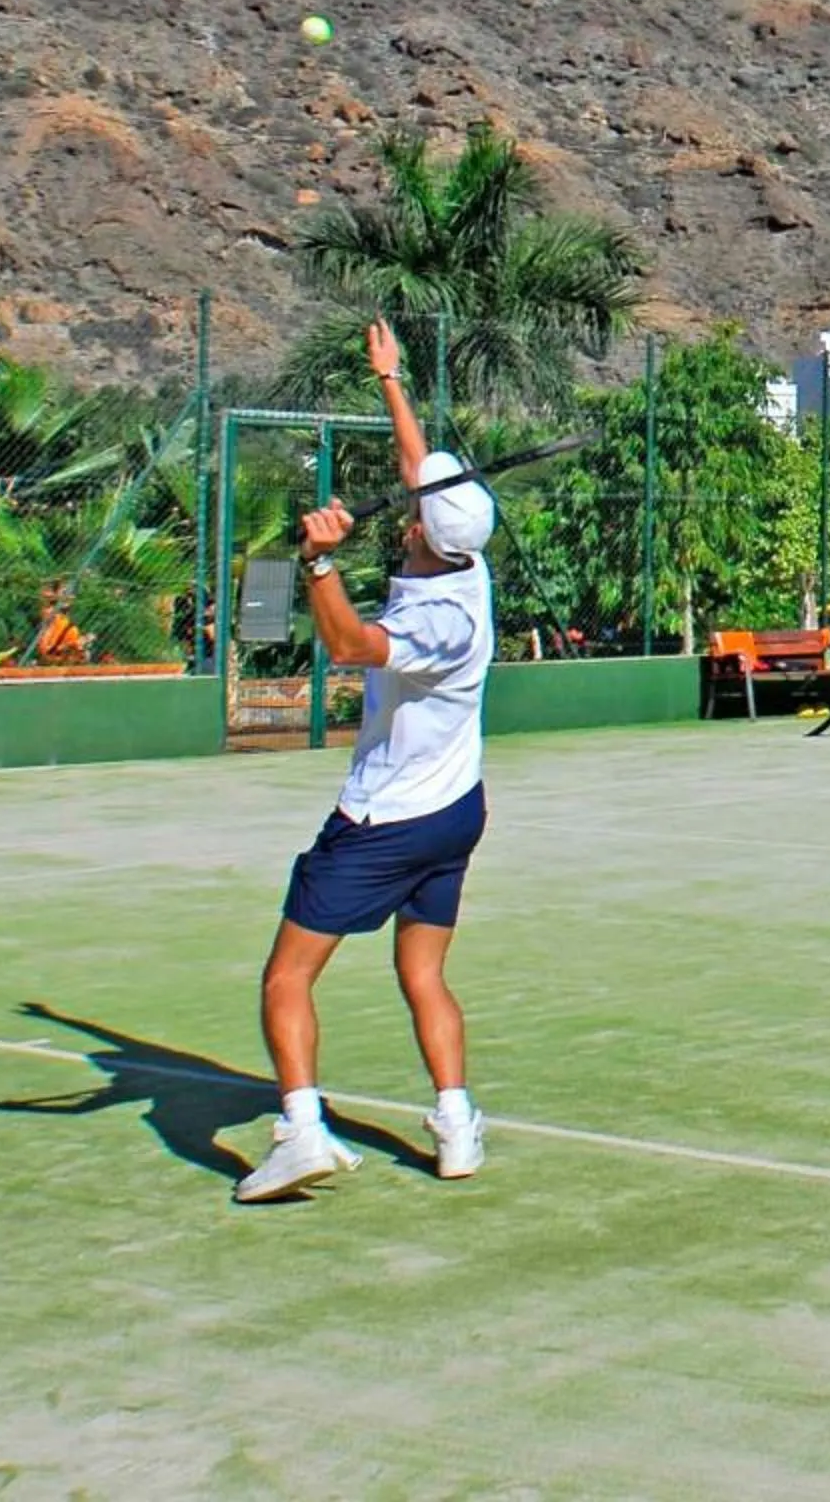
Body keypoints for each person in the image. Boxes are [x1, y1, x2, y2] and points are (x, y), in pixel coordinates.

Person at [236, 321, 498, 1203]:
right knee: (422, 972)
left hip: (385, 822)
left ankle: (302, 1132)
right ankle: (457, 1128)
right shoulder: (464, 565)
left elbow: (348, 643)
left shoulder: (437, 623)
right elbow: (424, 469)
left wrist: (317, 562)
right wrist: (391, 382)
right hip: (457, 810)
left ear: (426, 530)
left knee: (285, 976)